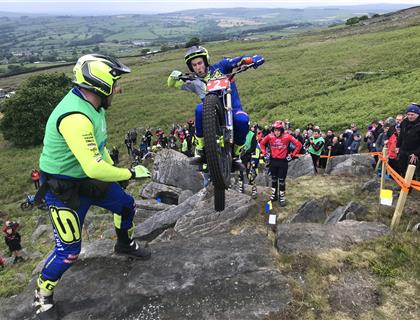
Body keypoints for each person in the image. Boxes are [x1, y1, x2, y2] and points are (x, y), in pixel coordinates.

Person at [33, 54, 151, 319]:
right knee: (69, 252)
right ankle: (42, 296)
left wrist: (117, 175)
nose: (118, 89)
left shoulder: (94, 107)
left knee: (126, 204)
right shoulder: (75, 117)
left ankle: (124, 243)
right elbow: (94, 167)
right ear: (102, 84)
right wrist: (130, 172)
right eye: (115, 82)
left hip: (86, 179)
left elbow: (98, 150)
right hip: (64, 189)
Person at [168, 46, 264, 167]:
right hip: (211, 112)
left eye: (200, 63)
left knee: (242, 119)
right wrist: (173, 76)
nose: (198, 67)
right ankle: (200, 149)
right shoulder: (194, 81)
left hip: (233, 108)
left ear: (206, 61)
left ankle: (236, 155)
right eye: (194, 65)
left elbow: (239, 60)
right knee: (199, 109)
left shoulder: (221, 66)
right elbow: (172, 83)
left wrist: (252, 59)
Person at [260, 121, 302, 206]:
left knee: (282, 180)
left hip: (283, 162)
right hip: (273, 161)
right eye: (275, 130)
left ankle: (282, 197)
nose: (277, 132)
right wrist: (265, 154)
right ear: (273, 130)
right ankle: (274, 195)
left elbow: (299, 145)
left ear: (282, 130)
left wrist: (292, 155)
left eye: (279, 130)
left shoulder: (287, 136)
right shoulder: (270, 136)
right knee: (274, 179)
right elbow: (262, 144)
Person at [397, 103, 420, 176]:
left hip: (414, 153)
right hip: (403, 150)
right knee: (401, 169)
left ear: (418, 114)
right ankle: (403, 186)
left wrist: (417, 153)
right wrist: (397, 146)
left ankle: (409, 187)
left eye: (412, 114)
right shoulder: (404, 122)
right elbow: (401, 136)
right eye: (408, 114)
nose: (410, 116)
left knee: (410, 173)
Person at [238, 124, 260, 198]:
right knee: (239, 173)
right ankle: (241, 188)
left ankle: (254, 190)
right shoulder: (239, 133)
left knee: (249, 173)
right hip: (239, 156)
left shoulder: (252, 135)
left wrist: (246, 151)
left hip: (248, 157)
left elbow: (253, 147)